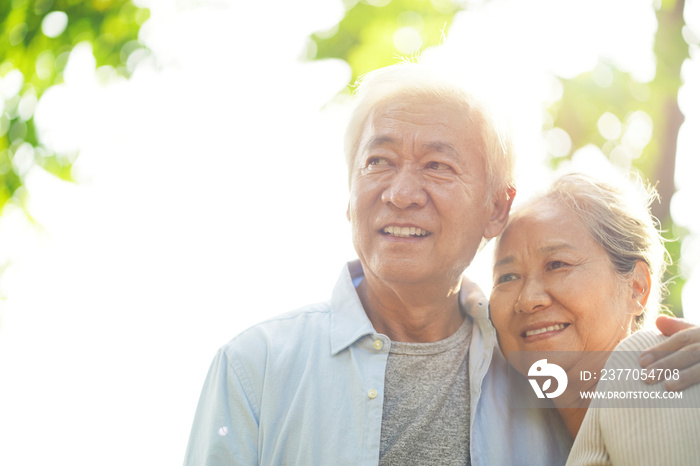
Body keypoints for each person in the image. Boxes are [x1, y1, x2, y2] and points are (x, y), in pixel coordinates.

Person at [183, 63, 573, 465]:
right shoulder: (254, 367)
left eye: (438, 166)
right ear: (350, 194)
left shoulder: (545, 371)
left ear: (496, 207)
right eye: (378, 161)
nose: (401, 194)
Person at [488, 172, 700, 465]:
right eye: (507, 277)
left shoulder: (645, 370)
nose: (527, 300)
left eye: (557, 264)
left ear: (637, 288)